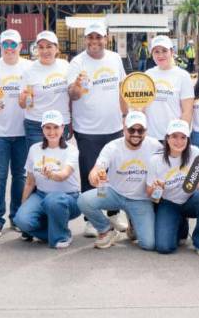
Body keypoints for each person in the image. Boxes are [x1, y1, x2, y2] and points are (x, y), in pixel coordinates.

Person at [68, 22, 128, 237]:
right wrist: (76, 86)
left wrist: (125, 117)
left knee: (114, 172)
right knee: (89, 174)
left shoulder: (114, 58)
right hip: (88, 129)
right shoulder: (77, 63)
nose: (94, 42)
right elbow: (72, 95)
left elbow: (122, 89)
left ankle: (114, 212)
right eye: (90, 38)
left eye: (98, 37)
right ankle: (91, 219)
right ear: (85, 40)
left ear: (106, 38)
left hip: (113, 127)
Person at [77, 110, 162, 251]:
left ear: (146, 131)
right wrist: (94, 175)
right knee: (83, 200)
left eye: (140, 130)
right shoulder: (112, 147)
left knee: (149, 244)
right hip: (114, 193)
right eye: (131, 129)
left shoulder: (156, 147)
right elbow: (98, 167)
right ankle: (107, 229)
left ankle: (133, 223)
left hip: (140, 199)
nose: (136, 133)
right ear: (124, 129)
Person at [0, 29, 31, 238]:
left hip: (23, 130)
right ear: (0, 47)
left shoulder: (29, 67)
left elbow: (32, 94)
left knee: (20, 175)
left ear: (21, 46)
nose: (9, 49)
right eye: (5, 45)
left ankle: (17, 216)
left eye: (13, 45)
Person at [13, 110, 81, 249]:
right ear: (42, 129)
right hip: (41, 195)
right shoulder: (34, 149)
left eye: (56, 127)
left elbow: (64, 175)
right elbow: (30, 182)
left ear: (63, 128)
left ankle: (61, 237)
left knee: (54, 200)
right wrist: (23, 205)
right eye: (48, 127)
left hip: (69, 198)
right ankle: (53, 231)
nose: (52, 132)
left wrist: (53, 175)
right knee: (21, 220)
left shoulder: (71, 150)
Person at [147, 119, 199, 255]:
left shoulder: (195, 153)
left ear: (188, 139)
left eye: (183, 137)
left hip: (190, 200)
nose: (179, 141)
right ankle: (181, 224)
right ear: (167, 138)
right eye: (174, 137)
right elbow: (150, 195)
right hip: (168, 203)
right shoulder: (155, 160)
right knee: (164, 247)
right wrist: (156, 189)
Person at [20, 30, 70, 147]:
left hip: (61, 122)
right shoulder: (29, 71)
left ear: (56, 48)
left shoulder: (66, 66)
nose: (45, 51)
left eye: (49, 46)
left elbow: (71, 96)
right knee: (39, 162)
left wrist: (71, 121)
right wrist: (23, 99)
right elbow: (23, 104)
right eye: (41, 47)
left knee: (59, 161)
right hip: (37, 124)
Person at [144, 34, 194, 141]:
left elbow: (187, 111)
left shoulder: (183, 76)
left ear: (172, 52)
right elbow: (142, 106)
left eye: (164, 50)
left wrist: (179, 136)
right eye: (156, 51)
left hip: (173, 138)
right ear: (151, 54)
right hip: (150, 137)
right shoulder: (147, 75)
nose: (160, 55)